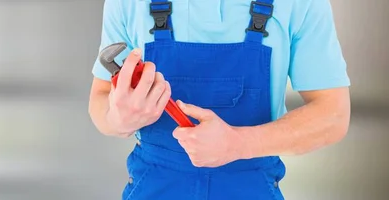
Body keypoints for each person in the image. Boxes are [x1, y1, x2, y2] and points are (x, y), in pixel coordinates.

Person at [87, 0, 351, 199]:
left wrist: (239, 143)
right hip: (155, 187)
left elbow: (334, 115)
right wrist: (118, 118)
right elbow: (100, 100)